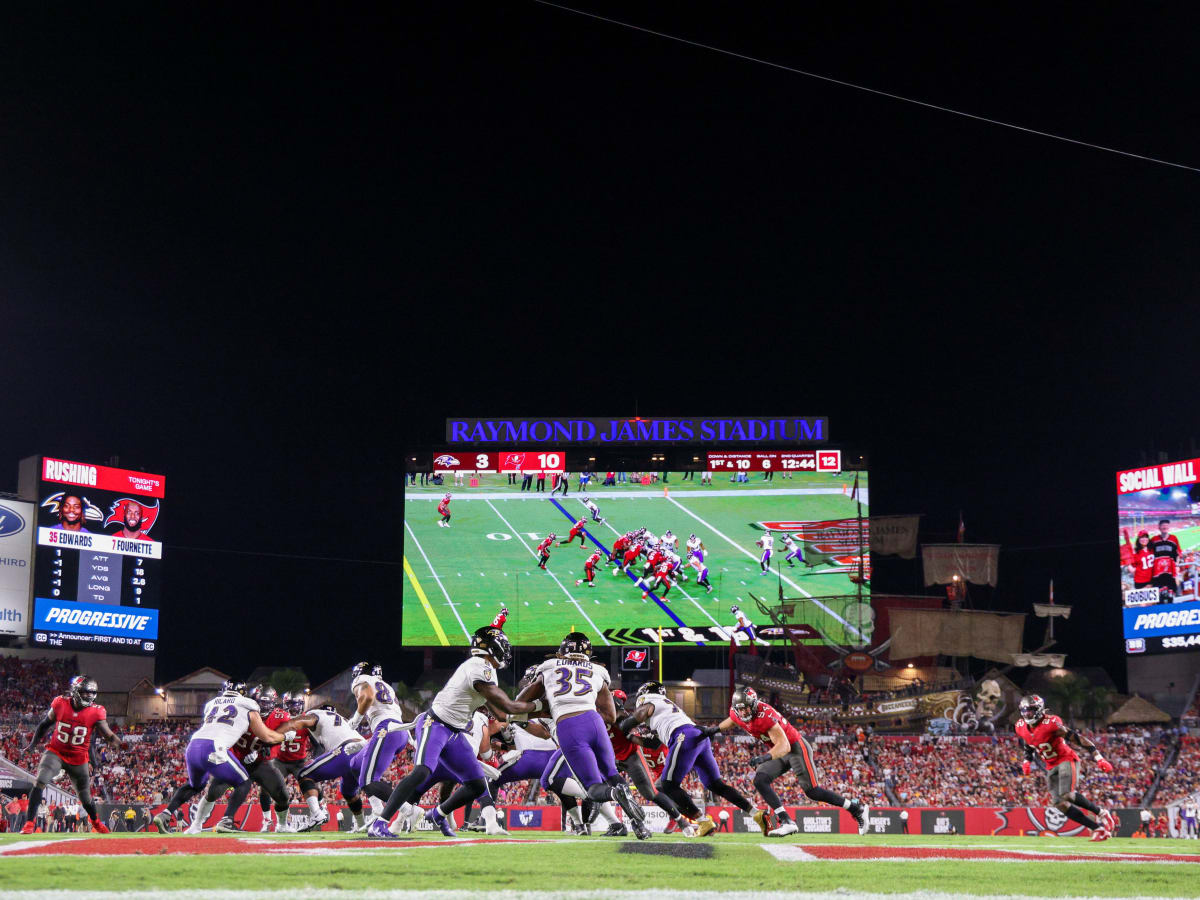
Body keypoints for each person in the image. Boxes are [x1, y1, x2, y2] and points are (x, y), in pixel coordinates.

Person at [371, 625, 538, 838]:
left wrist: (535, 714)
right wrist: (541, 707)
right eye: (502, 647)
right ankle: (380, 822)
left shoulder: (486, 671)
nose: (505, 652)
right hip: (436, 724)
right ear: (493, 648)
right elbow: (509, 708)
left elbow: (503, 714)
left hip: (455, 733)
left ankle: (439, 814)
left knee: (477, 785)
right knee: (422, 771)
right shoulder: (479, 666)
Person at [516, 632, 649, 839]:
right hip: (595, 722)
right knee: (613, 775)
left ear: (562, 652)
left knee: (593, 788)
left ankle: (613, 799)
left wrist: (544, 703)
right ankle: (639, 826)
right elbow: (610, 715)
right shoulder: (598, 670)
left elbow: (520, 702)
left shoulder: (550, 666)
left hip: (569, 726)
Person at [708, 686, 870, 836]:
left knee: (812, 791)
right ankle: (786, 820)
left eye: (746, 708)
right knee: (760, 780)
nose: (743, 713)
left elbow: (784, 746)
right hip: (780, 750)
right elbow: (733, 719)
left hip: (795, 747)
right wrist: (714, 729)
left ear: (755, 704)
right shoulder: (738, 713)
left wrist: (764, 757)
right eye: (740, 709)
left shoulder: (765, 716)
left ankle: (856, 808)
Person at [619, 681, 761, 837]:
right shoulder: (665, 708)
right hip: (698, 736)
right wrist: (630, 737)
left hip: (683, 736)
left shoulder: (650, 701)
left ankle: (703, 821)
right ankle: (756, 814)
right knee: (716, 784)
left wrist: (620, 725)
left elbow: (634, 718)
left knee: (666, 784)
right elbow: (653, 743)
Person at [152, 681, 289, 833]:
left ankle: (165, 813)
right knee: (243, 782)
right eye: (261, 702)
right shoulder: (249, 705)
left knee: (195, 785)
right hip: (216, 748)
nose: (264, 705)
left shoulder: (211, 704)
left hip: (194, 744)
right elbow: (268, 737)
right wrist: (284, 736)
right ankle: (226, 821)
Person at [22, 675, 128, 834]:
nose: (89, 696)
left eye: (92, 693)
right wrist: (32, 745)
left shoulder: (96, 712)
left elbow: (108, 735)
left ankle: (97, 823)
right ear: (76, 691)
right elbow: (44, 724)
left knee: (85, 797)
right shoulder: (60, 703)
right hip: (56, 752)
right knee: (40, 780)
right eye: (85, 692)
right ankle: (29, 823)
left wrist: (120, 744)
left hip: (79, 759)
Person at [1014, 694, 1115, 841]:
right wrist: (1027, 760)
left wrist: (1098, 757)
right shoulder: (1020, 726)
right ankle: (1098, 829)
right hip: (1050, 765)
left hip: (1066, 759)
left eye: (1030, 710)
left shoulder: (1051, 723)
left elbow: (1078, 738)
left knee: (1066, 794)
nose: (1027, 713)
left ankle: (1102, 813)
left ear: (1039, 709)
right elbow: (1029, 742)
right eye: (1024, 710)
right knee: (1059, 803)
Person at [284, 704, 369, 831]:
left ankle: (317, 814)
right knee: (348, 792)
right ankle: (361, 825)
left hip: (346, 750)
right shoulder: (341, 719)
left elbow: (320, 747)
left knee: (304, 775)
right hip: (364, 750)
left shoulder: (316, 715)